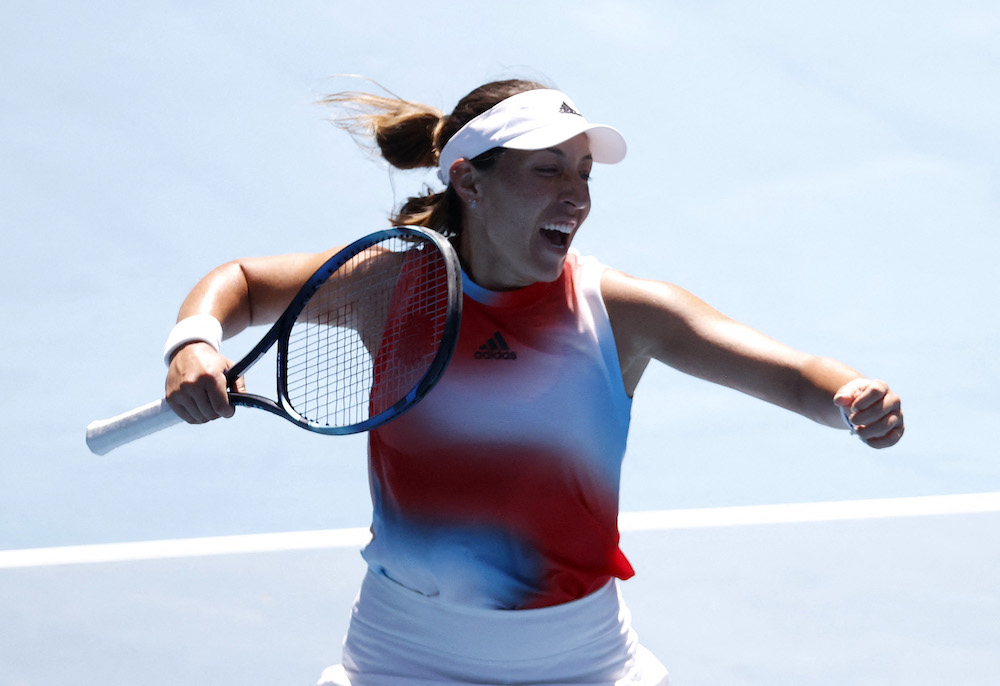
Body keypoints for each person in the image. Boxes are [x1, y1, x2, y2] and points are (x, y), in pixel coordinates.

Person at [163, 78, 904, 685]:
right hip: (405, 655)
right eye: (547, 170)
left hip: (580, 660)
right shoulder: (393, 286)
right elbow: (241, 282)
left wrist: (851, 399)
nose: (576, 195)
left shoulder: (622, 312)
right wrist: (193, 345)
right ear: (469, 183)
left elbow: (794, 376)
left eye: (583, 173)